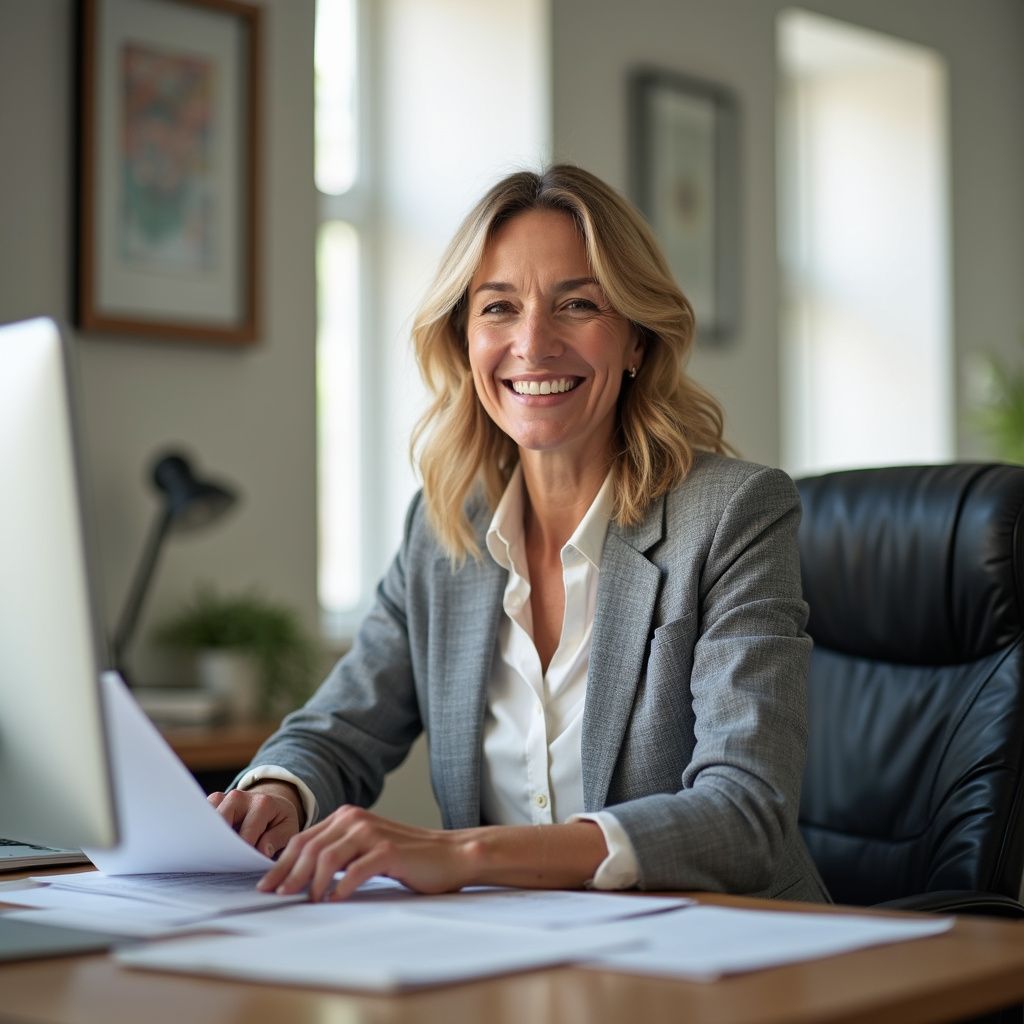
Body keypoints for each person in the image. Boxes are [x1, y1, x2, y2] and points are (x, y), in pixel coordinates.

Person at [210, 165, 829, 905]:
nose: (533, 345)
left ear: (636, 339)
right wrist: (277, 790)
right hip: (512, 963)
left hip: (727, 960)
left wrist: (469, 854)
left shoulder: (732, 515)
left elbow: (745, 815)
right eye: (498, 308)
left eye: (577, 305)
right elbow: (341, 727)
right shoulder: (445, 532)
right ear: (465, 341)